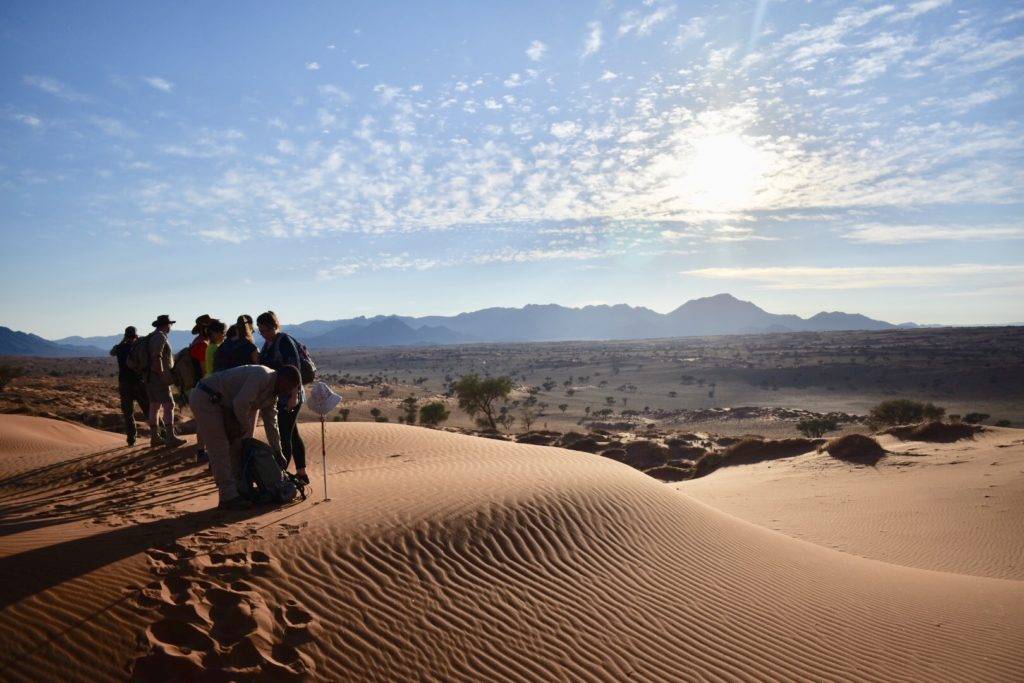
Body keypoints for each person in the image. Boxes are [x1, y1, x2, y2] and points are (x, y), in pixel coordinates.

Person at [189, 364, 300, 510]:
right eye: (289, 386)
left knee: (236, 448)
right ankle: (228, 497)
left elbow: (271, 423)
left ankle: (239, 490)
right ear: (282, 379)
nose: (288, 391)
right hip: (206, 398)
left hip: (223, 405)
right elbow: (240, 403)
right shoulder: (261, 376)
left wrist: (277, 451)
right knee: (220, 448)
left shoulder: (273, 394)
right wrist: (243, 427)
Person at [256, 311, 308, 484]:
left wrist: (294, 395)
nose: (263, 334)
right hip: (279, 396)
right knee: (292, 434)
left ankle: (281, 476)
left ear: (274, 327)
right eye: (260, 331)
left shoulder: (284, 341)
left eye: (265, 330)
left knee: (285, 434)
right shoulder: (268, 344)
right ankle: (301, 473)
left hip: (291, 396)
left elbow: (295, 369)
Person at [147, 315, 186, 448]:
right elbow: (156, 356)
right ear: (166, 325)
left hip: (149, 378)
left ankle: (155, 437)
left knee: (154, 406)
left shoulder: (151, 336)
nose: (171, 327)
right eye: (170, 324)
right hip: (158, 378)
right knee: (169, 405)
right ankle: (170, 437)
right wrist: (162, 374)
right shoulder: (160, 337)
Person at [109, 326, 149, 446]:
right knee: (149, 410)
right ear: (136, 336)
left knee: (128, 413)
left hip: (124, 384)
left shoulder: (120, 348)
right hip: (138, 383)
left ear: (126, 336)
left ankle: (131, 440)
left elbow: (112, 352)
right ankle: (162, 433)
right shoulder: (138, 347)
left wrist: (123, 341)